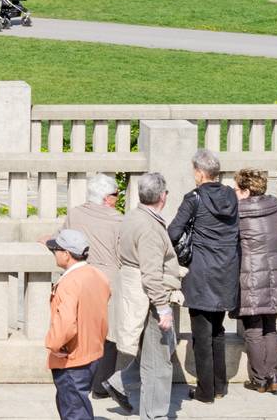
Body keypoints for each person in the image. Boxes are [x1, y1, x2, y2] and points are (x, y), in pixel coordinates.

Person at [101, 171, 179, 420]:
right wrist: (164, 308)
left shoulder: (133, 216)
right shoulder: (149, 228)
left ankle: (119, 383)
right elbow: (151, 274)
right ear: (163, 197)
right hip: (151, 297)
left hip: (135, 292)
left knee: (159, 352)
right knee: (159, 363)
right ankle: (154, 415)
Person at [168, 148, 239, 402]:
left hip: (201, 273)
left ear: (199, 173)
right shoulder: (231, 196)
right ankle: (219, 386)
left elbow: (173, 232)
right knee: (218, 331)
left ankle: (205, 392)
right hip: (226, 272)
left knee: (202, 333)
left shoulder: (194, 198)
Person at [62, 173, 123, 399]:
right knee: (107, 334)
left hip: (79, 277)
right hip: (107, 279)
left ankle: (79, 379)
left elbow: (62, 239)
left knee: (80, 330)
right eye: (116, 195)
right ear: (107, 198)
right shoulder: (117, 219)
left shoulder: (74, 214)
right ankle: (101, 385)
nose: (117, 199)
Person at [234, 167, 277, 395]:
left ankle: (259, 380)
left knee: (253, 329)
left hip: (250, 275)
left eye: (237, 189)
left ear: (247, 191)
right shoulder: (276, 208)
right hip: (276, 274)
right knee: (270, 327)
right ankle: (275, 377)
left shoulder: (238, 212)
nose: (235, 193)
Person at [45, 228, 111, 420]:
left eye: (55, 250)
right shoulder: (97, 275)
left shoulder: (69, 283)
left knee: (74, 411)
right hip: (93, 351)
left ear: (66, 254)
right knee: (78, 404)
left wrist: (53, 345)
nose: (54, 254)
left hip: (72, 357)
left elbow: (66, 323)